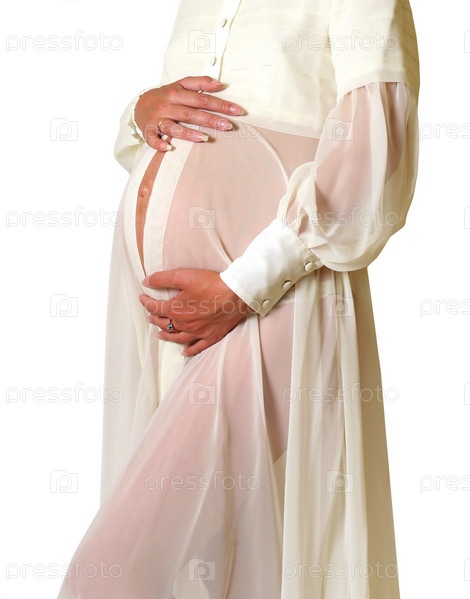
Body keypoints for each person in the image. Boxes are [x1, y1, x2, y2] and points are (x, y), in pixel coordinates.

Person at [57, 0, 419, 597]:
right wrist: (139, 113)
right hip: (170, 323)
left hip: (275, 299)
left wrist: (243, 286)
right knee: (207, 565)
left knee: (112, 573)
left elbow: (372, 158)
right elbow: (170, 142)